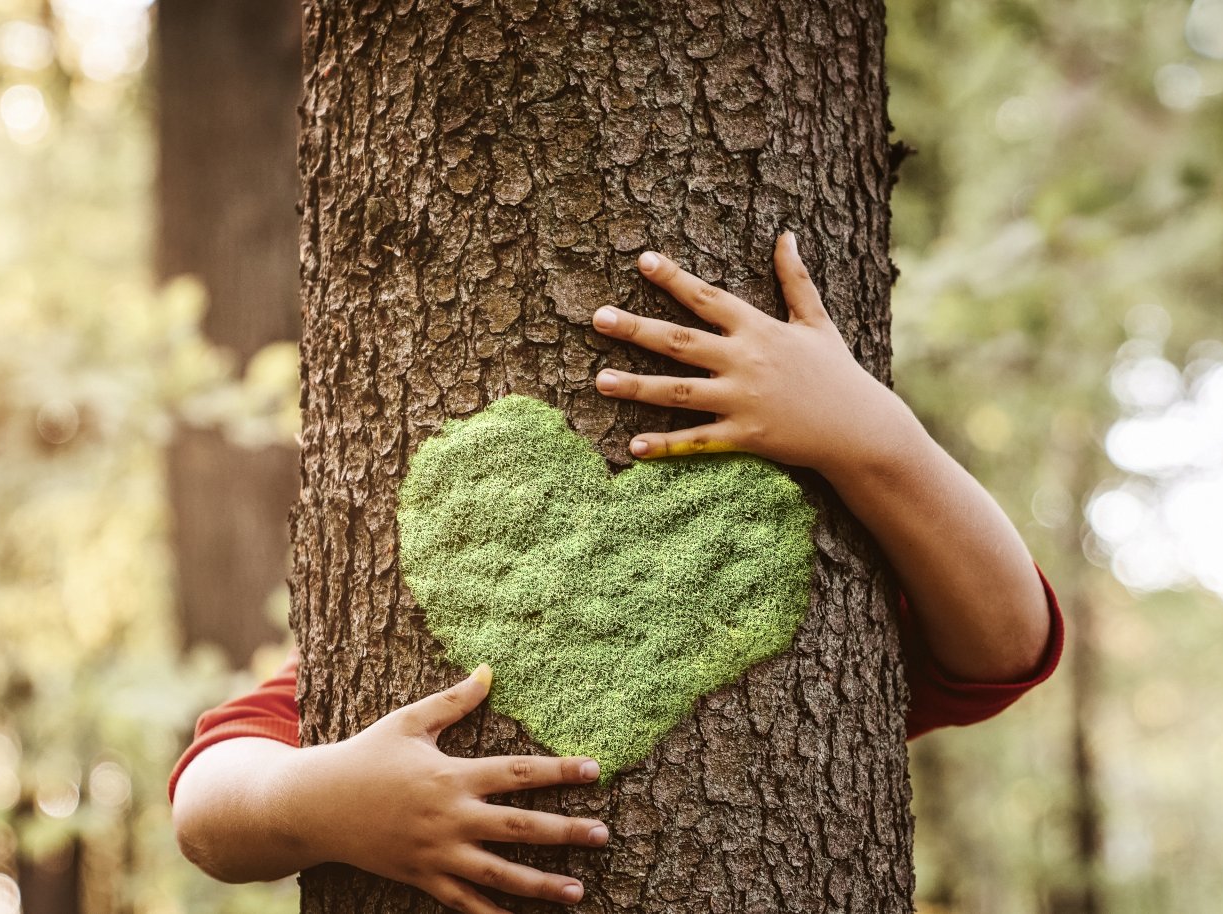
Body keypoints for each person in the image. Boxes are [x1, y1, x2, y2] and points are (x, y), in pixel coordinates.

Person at [168, 233, 1065, 914]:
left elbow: (1006, 642)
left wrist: (870, 435)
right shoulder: (397, 645)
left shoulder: (834, 617)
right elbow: (209, 806)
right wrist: (321, 802)